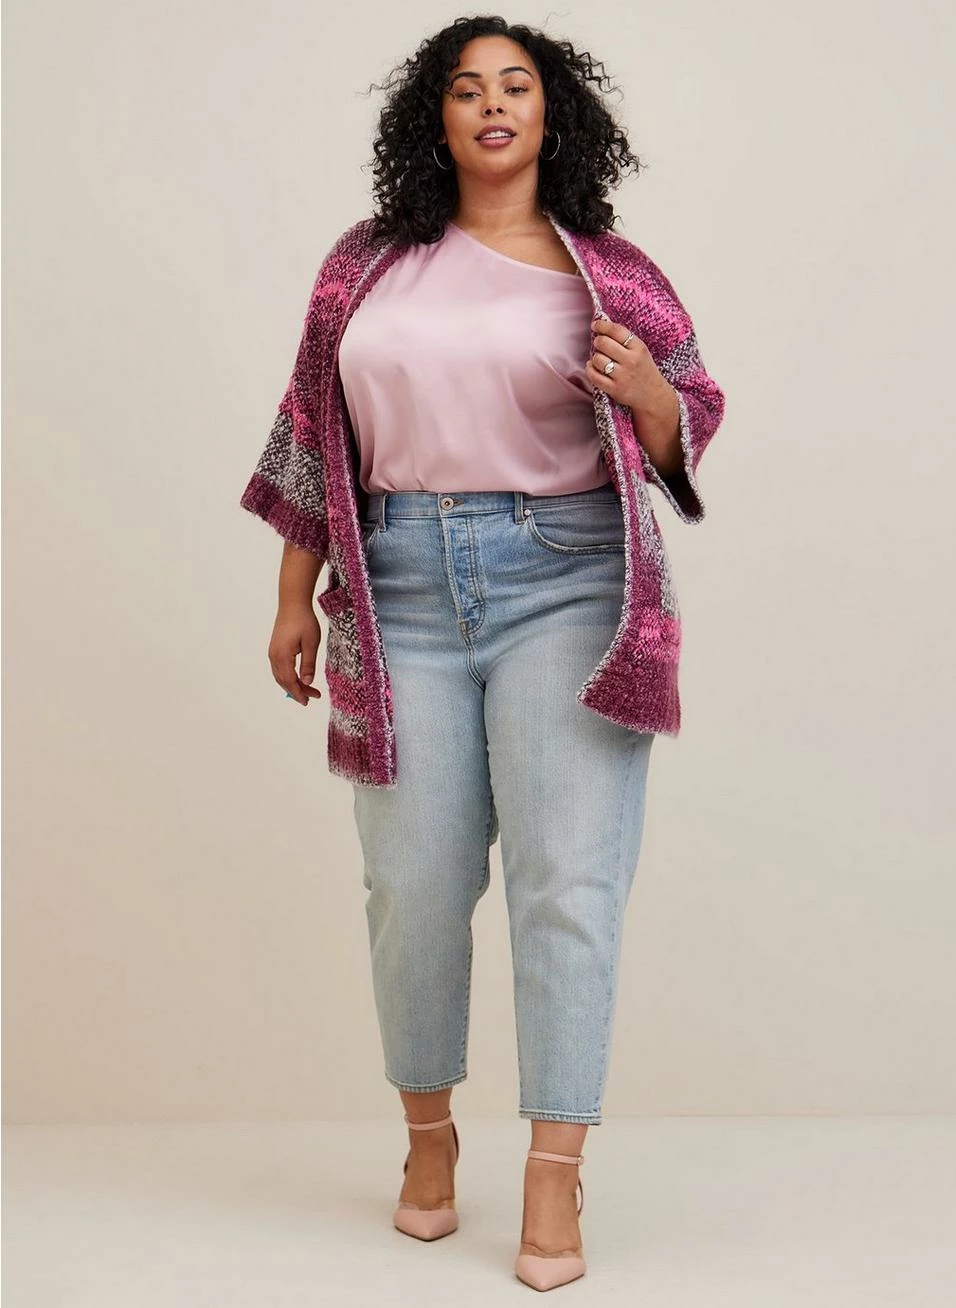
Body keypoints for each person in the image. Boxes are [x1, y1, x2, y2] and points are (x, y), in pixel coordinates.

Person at [240, 15, 726, 1292]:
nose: (493, 104)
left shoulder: (608, 271)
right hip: (395, 583)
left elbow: (688, 413)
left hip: (569, 578)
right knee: (410, 885)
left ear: (553, 114)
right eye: (466, 89)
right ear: (437, 118)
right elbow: (310, 428)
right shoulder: (365, 264)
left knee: (567, 883)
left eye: (516, 85)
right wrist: (293, 596)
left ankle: (555, 1173)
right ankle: (427, 1137)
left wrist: (648, 396)